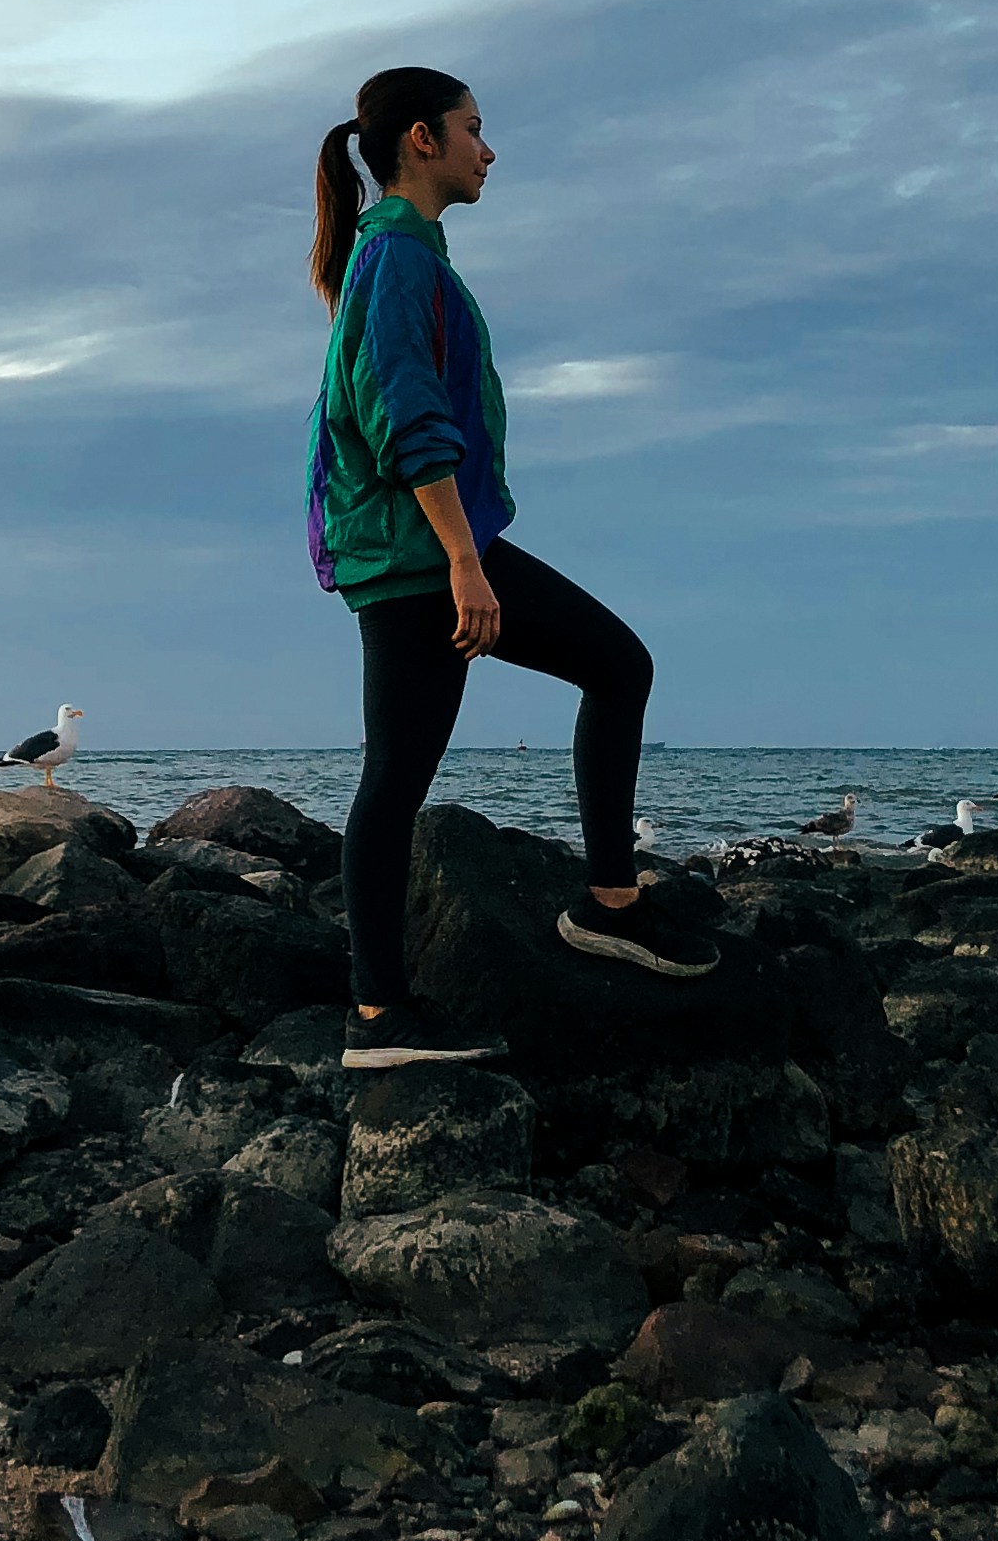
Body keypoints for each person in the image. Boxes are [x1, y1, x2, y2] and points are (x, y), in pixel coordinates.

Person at [304, 65, 714, 1071]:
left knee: (610, 669)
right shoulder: (396, 256)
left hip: (425, 545)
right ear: (421, 141)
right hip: (418, 554)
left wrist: (462, 551)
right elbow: (402, 413)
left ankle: (608, 903)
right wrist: (462, 562)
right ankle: (377, 1017)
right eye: (474, 129)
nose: (490, 149)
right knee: (402, 773)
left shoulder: (402, 255)